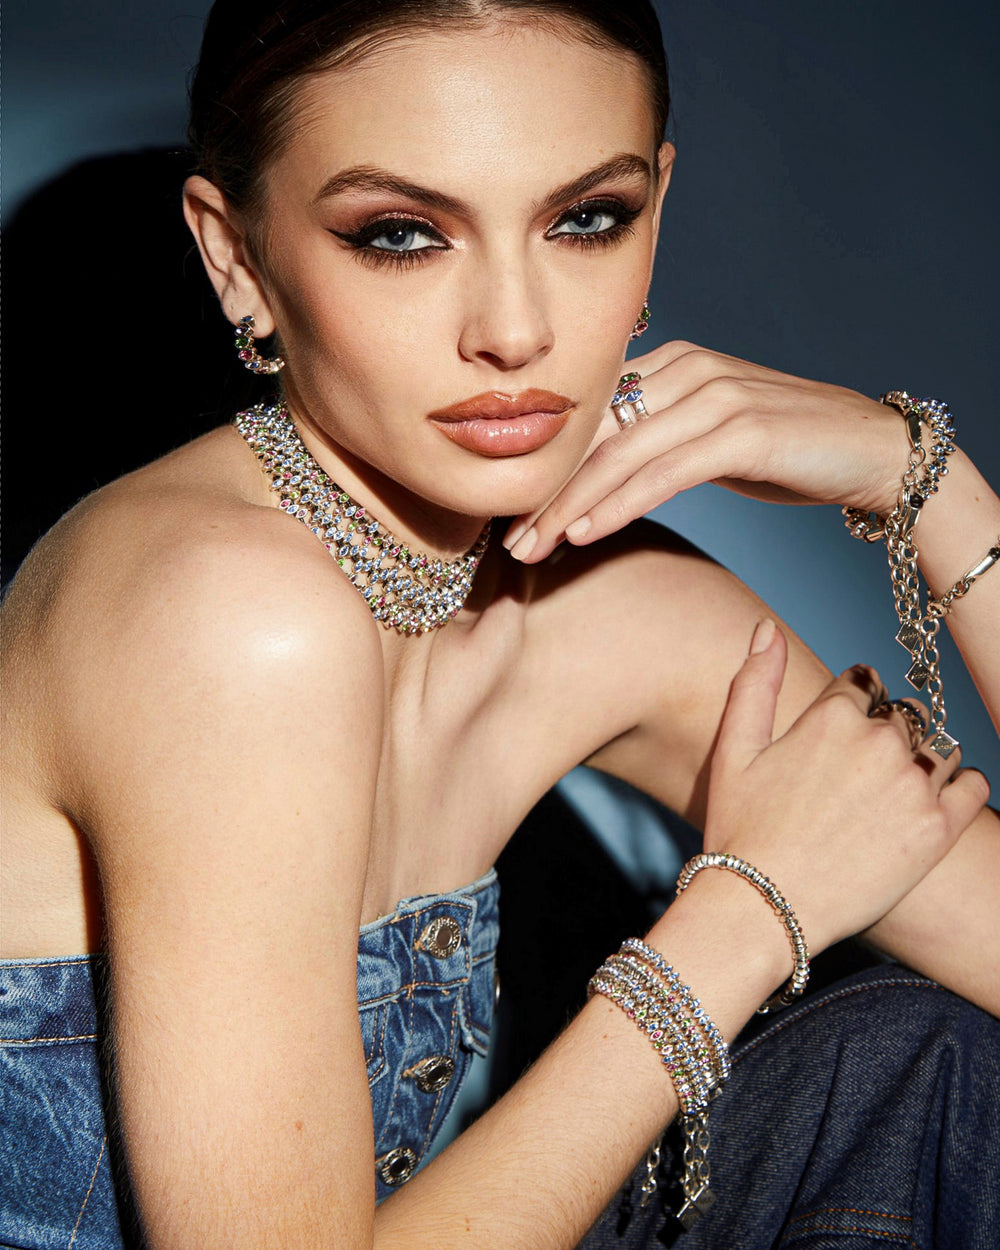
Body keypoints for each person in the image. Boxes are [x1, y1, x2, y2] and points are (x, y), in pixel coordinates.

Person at [2, 2, 998, 1247]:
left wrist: (922, 481)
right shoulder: (222, 613)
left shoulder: (607, 610)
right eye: (401, 235)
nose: (515, 331)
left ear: (655, 210)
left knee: (917, 1053)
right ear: (236, 258)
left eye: (586, 219)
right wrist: (742, 920)